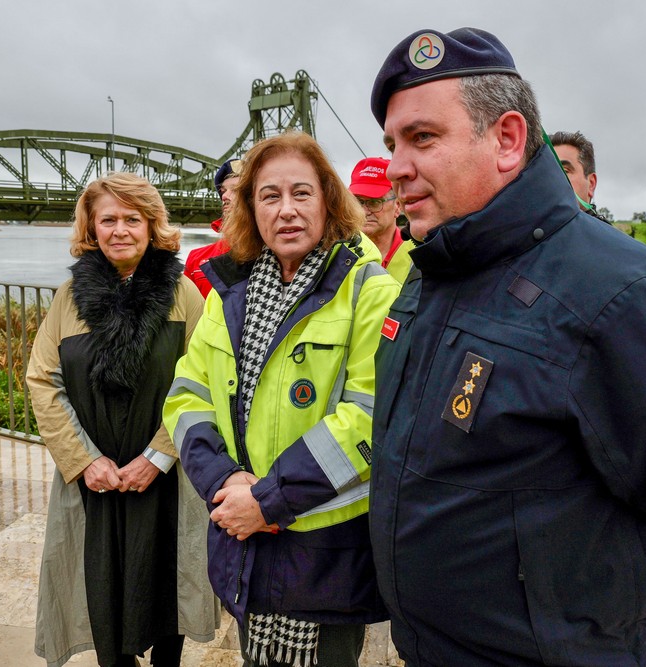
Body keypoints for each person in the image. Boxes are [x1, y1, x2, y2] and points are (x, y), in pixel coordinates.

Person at [367, 27, 646, 666]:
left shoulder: (628, 294)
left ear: (507, 140)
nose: (396, 166)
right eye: (393, 143)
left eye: (423, 138)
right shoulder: (434, 274)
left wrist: (595, 602)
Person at [163, 132, 400, 667]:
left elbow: (370, 415)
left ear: (328, 202)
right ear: (250, 209)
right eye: (269, 196)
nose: (286, 210)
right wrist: (224, 482)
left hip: (325, 554)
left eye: (302, 193)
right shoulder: (230, 295)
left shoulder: (370, 290)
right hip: (246, 542)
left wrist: (268, 500)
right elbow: (185, 396)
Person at [26, 172, 217, 667]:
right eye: (107, 219)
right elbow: (43, 380)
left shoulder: (185, 297)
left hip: (164, 478)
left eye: (133, 219)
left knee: (165, 590)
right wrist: (85, 460)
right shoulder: (67, 300)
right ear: (91, 227)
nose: (120, 230)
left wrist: (159, 454)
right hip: (96, 481)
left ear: (152, 226)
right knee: (100, 589)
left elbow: (205, 383)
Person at [347, 156, 414, 283]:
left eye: (375, 202)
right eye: (358, 201)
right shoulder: (337, 253)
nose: (364, 211)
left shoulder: (418, 254)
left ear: (398, 206)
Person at [185, 158, 241, 297]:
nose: (225, 196)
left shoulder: (278, 256)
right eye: (223, 191)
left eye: (235, 190)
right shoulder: (196, 259)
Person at [550, 130, 609, 222]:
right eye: (547, 171)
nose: (553, 178)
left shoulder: (606, 236)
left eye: (565, 171)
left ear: (591, 184)